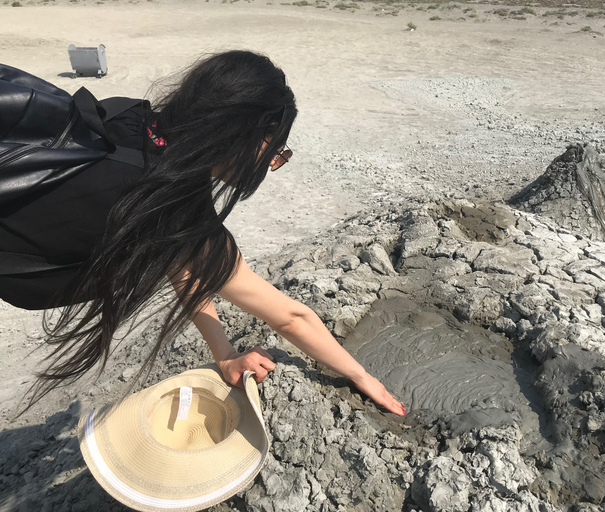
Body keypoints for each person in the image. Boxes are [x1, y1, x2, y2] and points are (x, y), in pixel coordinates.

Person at [0, 50, 405, 417]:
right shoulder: (173, 207)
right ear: (243, 135)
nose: (270, 163)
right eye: (275, 150)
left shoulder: (133, 122)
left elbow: (182, 261)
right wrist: (362, 376)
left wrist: (225, 354)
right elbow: (291, 317)